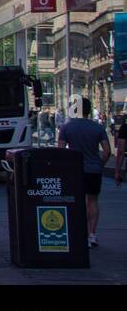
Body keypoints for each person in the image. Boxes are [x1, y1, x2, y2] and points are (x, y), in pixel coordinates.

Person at [58, 97, 111, 247]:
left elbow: (61, 151)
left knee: (77, 200)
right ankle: (92, 235)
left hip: (75, 170)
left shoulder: (66, 128)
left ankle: (78, 233)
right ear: (88, 110)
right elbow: (107, 151)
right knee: (92, 201)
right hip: (94, 169)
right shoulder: (97, 128)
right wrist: (100, 164)